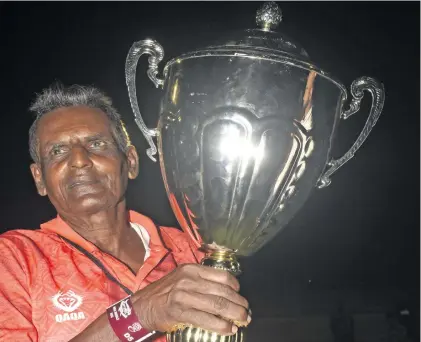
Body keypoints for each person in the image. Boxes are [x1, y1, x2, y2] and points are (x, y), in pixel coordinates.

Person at [0, 84, 250, 341]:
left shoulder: (188, 248)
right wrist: (138, 315)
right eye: (57, 151)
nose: (78, 160)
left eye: (96, 143)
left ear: (130, 161)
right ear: (39, 178)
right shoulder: (15, 258)